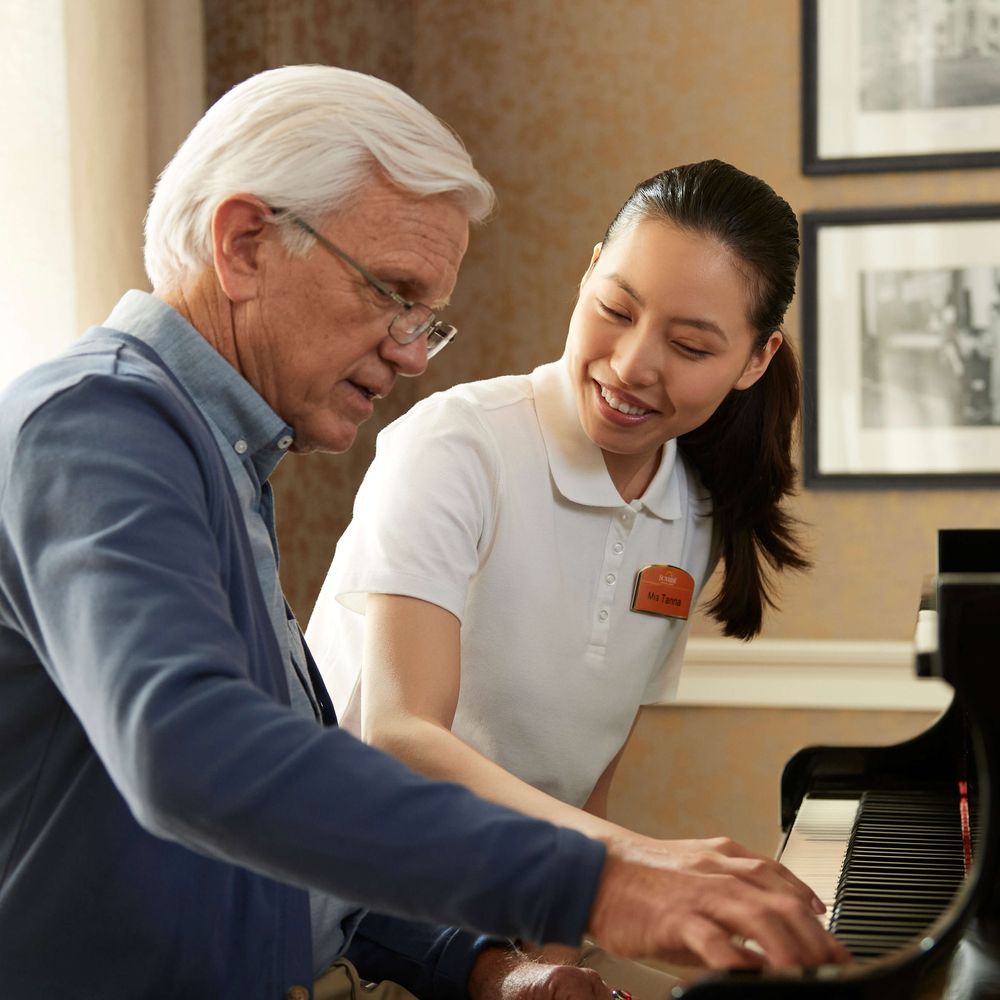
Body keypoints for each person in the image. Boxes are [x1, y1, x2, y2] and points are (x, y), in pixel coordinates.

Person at [0, 61, 847, 1000]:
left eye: (427, 319)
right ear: (243, 244)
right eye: (392, 293)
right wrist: (599, 880)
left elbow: (298, 851)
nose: (411, 353)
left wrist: (492, 972)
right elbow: (191, 753)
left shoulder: (224, 461)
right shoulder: (95, 426)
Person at [307, 159, 819, 987]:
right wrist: (637, 863)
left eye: (690, 346)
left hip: (506, 926)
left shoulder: (692, 511)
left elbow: (587, 772)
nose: (632, 364)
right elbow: (401, 735)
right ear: (586, 276)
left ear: (757, 360)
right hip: (353, 907)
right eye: (614, 310)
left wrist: (553, 961)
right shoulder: (459, 445)